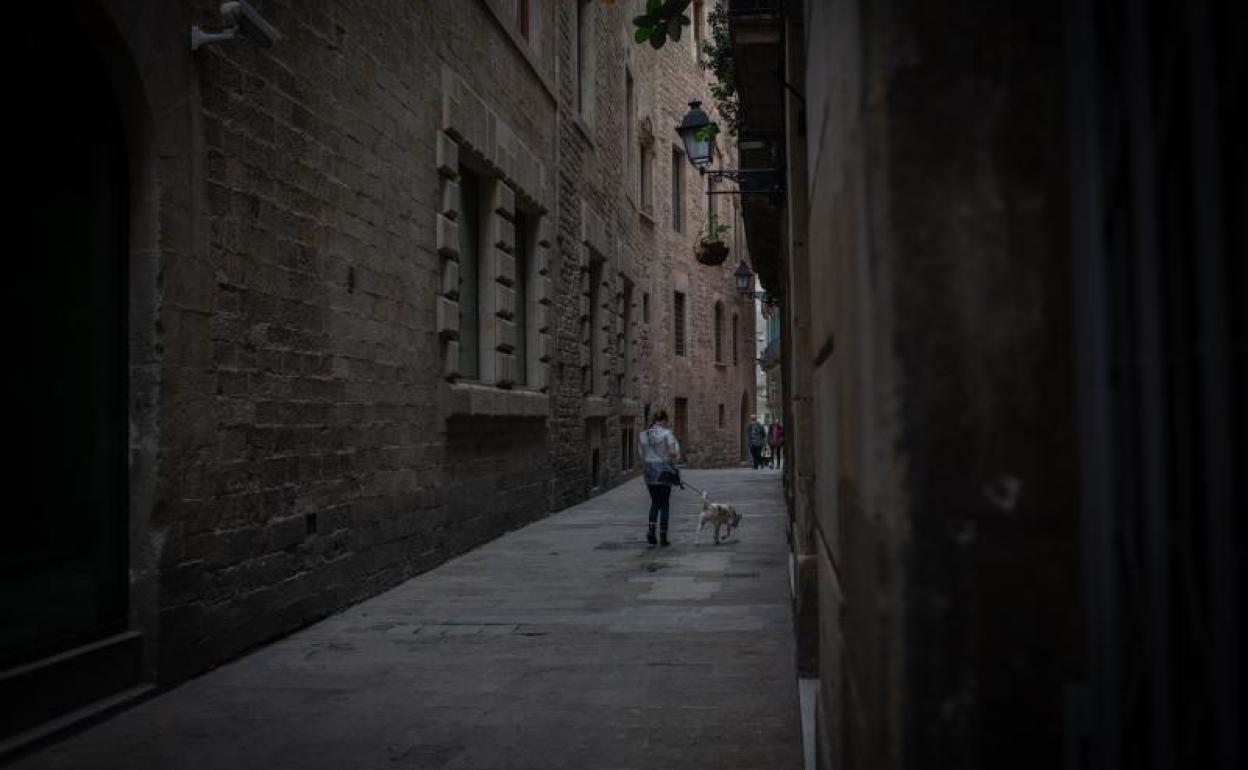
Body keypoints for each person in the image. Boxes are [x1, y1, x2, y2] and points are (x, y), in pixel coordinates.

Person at [638, 409, 681, 547]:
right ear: (663, 420)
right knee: (665, 503)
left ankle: (651, 530)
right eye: (666, 421)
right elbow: (672, 452)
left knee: (655, 502)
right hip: (663, 471)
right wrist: (674, 454)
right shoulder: (667, 433)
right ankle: (663, 535)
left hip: (649, 472)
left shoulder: (644, 435)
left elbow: (641, 454)